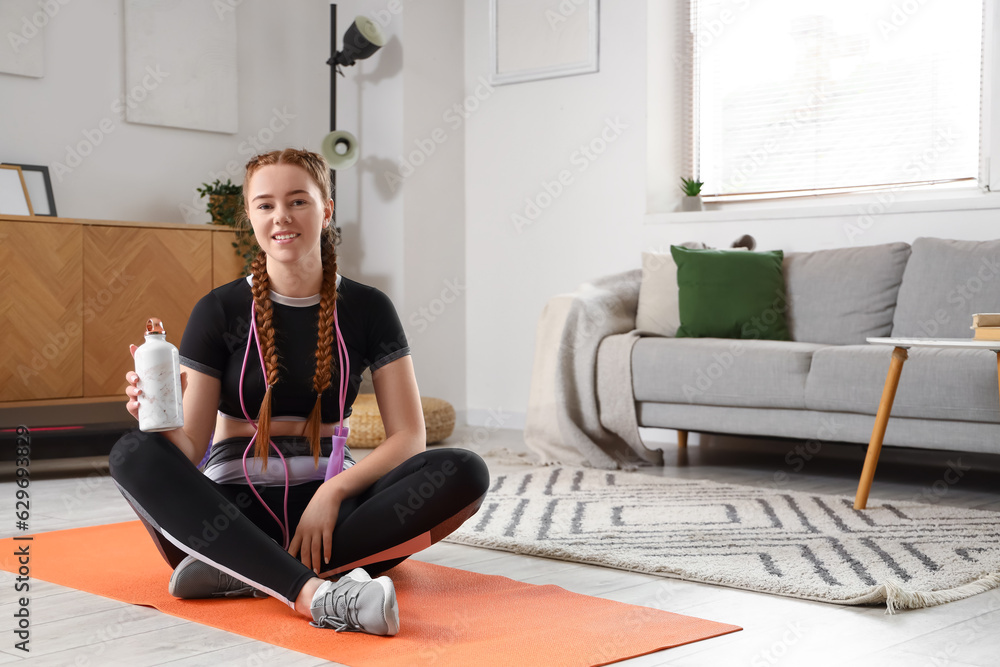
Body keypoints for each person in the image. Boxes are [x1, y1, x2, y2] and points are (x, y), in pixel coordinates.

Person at [109, 148, 490, 636]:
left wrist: (333, 492)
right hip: (228, 515)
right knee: (132, 451)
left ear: (326, 208)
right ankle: (314, 593)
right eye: (265, 205)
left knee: (462, 469)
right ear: (250, 216)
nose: (281, 217)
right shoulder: (219, 310)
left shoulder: (369, 308)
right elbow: (190, 446)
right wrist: (153, 419)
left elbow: (409, 437)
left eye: (298, 201)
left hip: (334, 520)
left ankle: (241, 572)